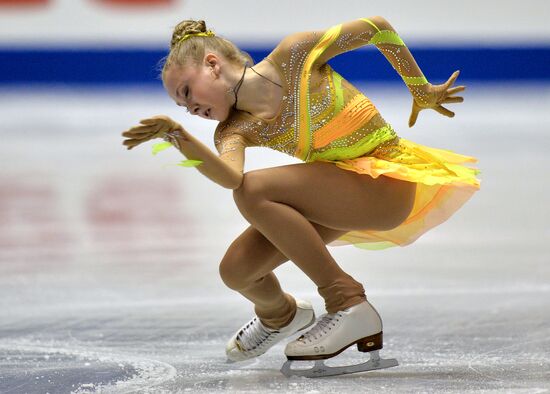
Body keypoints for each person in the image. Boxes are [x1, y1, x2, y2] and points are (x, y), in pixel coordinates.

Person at [121, 16, 480, 377]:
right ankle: (281, 316)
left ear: (212, 65)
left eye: (186, 92)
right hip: (342, 194)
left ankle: (347, 302)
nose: (189, 108)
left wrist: (420, 89)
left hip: (386, 183)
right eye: (181, 106)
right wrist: (178, 137)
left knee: (255, 188)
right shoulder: (235, 128)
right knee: (238, 271)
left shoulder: (295, 56)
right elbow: (229, 176)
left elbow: (376, 28)